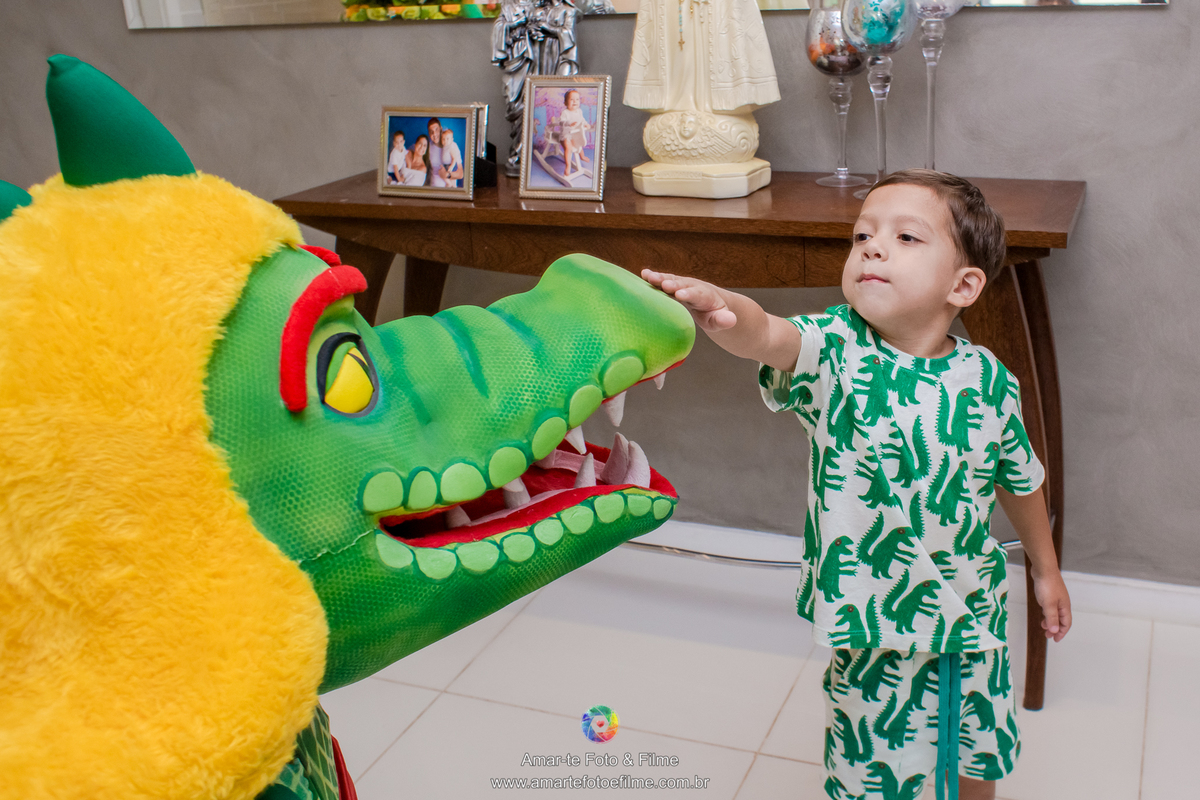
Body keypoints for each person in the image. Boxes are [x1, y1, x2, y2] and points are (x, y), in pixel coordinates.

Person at [642, 170, 1072, 800]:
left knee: (975, 758)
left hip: (973, 608)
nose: (872, 247)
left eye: (905, 237)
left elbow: (1020, 479)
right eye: (862, 235)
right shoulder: (837, 351)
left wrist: (1045, 569)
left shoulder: (989, 380)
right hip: (877, 622)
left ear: (965, 284)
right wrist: (725, 310)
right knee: (875, 774)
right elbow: (768, 335)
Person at [558, 89, 588, 175]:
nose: (575, 101)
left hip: (576, 134)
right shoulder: (565, 112)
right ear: (565, 103)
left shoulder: (579, 111)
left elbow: (582, 120)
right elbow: (561, 122)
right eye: (571, 99)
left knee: (579, 141)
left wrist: (585, 124)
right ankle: (568, 165)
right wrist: (569, 123)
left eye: (577, 99)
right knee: (569, 148)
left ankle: (582, 156)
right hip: (566, 135)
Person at [426, 118, 448, 188]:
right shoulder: (428, 147)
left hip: (449, 190)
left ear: (441, 129)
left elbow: (460, 173)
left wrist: (446, 175)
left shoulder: (450, 145)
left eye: (436, 130)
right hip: (433, 189)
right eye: (431, 132)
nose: (434, 134)